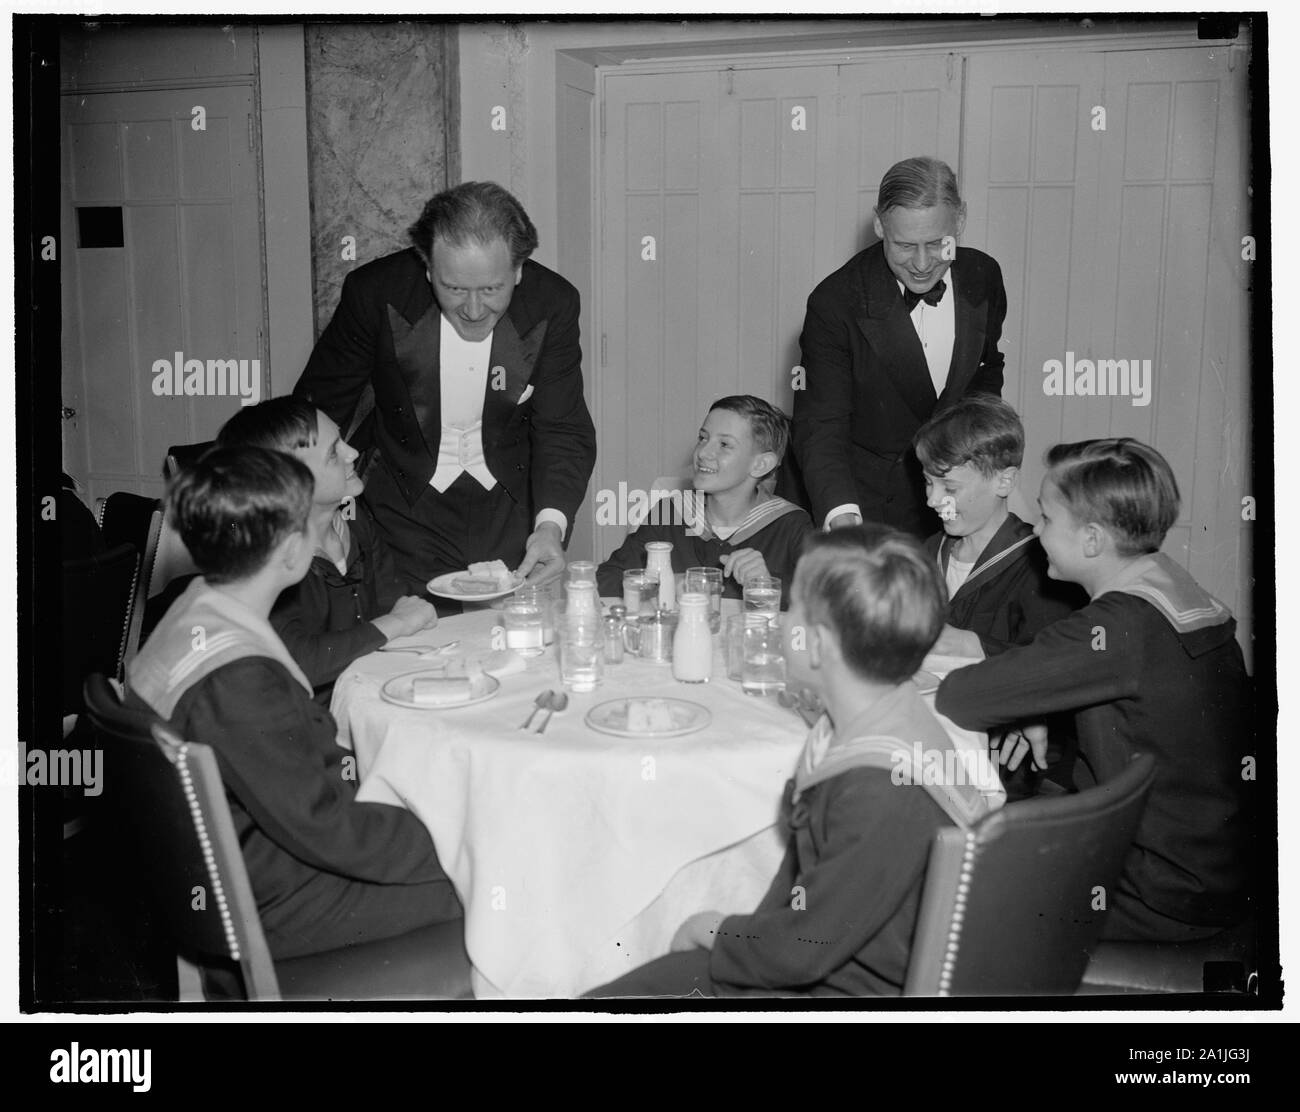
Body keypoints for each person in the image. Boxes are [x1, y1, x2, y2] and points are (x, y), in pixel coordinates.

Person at [589, 526, 998, 998]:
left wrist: (713, 931)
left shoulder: (877, 787)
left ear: (819, 644)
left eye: (794, 609)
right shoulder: (881, 716)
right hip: (835, 955)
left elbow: (803, 949)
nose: (781, 621)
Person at [127, 447, 462, 960]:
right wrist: (463, 837)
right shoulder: (240, 679)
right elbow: (331, 830)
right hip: (274, 901)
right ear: (289, 551)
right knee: (508, 876)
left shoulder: (195, 611)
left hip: (244, 869)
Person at [936, 439, 1252, 942]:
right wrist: (1035, 700)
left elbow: (959, 697)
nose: (1036, 533)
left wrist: (1027, 695)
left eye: (1045, 520)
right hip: (1213, 867)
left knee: (945, 877)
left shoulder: (1115, 624)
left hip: (1157, 893)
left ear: (1090, 539)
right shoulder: (1169, 584)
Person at [294, 181, 597, 604]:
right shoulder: (375, 293)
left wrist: (550, 527)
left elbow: (563, 429)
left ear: (519, 270)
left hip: (511, 509)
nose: (474, 311)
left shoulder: (553, 303)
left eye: (492, 290)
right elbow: (315, 412)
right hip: (403, 509)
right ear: (427, 266)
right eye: (454, 289)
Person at [791, 156, 1007, 538]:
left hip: (962, 499)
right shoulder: (835, 302)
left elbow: (986, 372)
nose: (923, 264)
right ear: (879, 225)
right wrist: (843, 522)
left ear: (960, 220)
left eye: (938, 244)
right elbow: (821, 425)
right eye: (905, 245)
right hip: (871, 508)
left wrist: (982, 466)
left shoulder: (984, 275)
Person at [217, 398, 438, 700]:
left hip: (363, 695)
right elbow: (298, 660)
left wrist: (398, 620)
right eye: (334, 453)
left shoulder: (352, 519)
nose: (353, 453)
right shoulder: (264, 558)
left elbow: (393, 599)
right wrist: (396, 623)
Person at [596, 395, 814, 604]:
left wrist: (767, 586)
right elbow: (605, 579)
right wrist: (665, 585)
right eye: (703, 438)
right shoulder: (669, 514)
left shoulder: (791, 525)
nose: (703, 452)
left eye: (724, 445)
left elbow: (825, 600)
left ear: (760, 464)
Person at [914, 395, 1085, 656]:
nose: (932, 500)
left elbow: (1051, 663)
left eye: (949, 487)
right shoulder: (928, 551)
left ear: (1004, 481)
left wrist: (973, 646)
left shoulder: (1040, 567)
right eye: (928, 482)